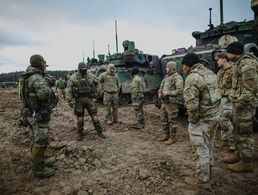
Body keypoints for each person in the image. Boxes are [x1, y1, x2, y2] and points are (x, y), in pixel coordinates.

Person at [182, 53, 220, 186]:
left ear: (187, 65)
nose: (182, 68)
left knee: (200, 149)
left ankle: (203, 179)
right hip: (214, 117)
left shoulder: (192, 78)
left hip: (202, 120)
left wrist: (193, 121)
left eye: (183, 65)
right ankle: (209, 172)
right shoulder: (210, 73)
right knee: (209, 146)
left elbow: (191, 105)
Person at [19, 54, 57, 178]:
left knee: (35, 138)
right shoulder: (36, 78)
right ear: (41, 64)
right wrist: (53, 93)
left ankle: (39, 161)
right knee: (40, 140)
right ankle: (38, 169)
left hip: (30, 112)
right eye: (44, 63)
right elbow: (44, 95)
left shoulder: (27, 76)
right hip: (39, 113)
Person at [223, 42, 258, 172]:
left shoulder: (247, 64)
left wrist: (240, 102)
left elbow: (251, 87)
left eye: (228, 52)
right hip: (239, 104)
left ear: (234, 52)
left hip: (245, 105)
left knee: (244, 132)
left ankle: (246, 162)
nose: (226, 54)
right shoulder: (239, 62)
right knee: (237, 130)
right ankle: (239, 155)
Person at [67, 62, 105, 141]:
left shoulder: (91, 76)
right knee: (80, 119)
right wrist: (69, 100)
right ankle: (79, 133)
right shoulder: (73, 77)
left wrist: (97, 95)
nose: (84, 71)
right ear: (79, 69)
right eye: (82, 70)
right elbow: (69, 89)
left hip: (89, 99)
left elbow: (98, 83)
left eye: (85, 69)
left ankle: (100, 132)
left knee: (95, 117)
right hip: (79, 100)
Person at [158, 61, 183, 145]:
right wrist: (160, 92)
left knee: (172, 121)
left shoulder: (177, 77)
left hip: (172, 103)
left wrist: (168, 93)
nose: (166, 68)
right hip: (164, 102)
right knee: (163, 119)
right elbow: (161, 86)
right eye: (166, 67)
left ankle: (173, 138)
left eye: (167, 67)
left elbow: (180, 91)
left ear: (172, 68)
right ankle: (166, 135)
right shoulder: (166, 77)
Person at [216, 53, 234, 148]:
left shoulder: (233, 70)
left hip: (229, 99)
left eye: (218, 60)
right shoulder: (220, 72)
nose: (217, 62)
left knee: (225, 118)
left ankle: (233, 140)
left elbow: (236, 86)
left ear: (224, 59)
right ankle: (225, 140)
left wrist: (224, 92)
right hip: (221, 99)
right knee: (221, 119)